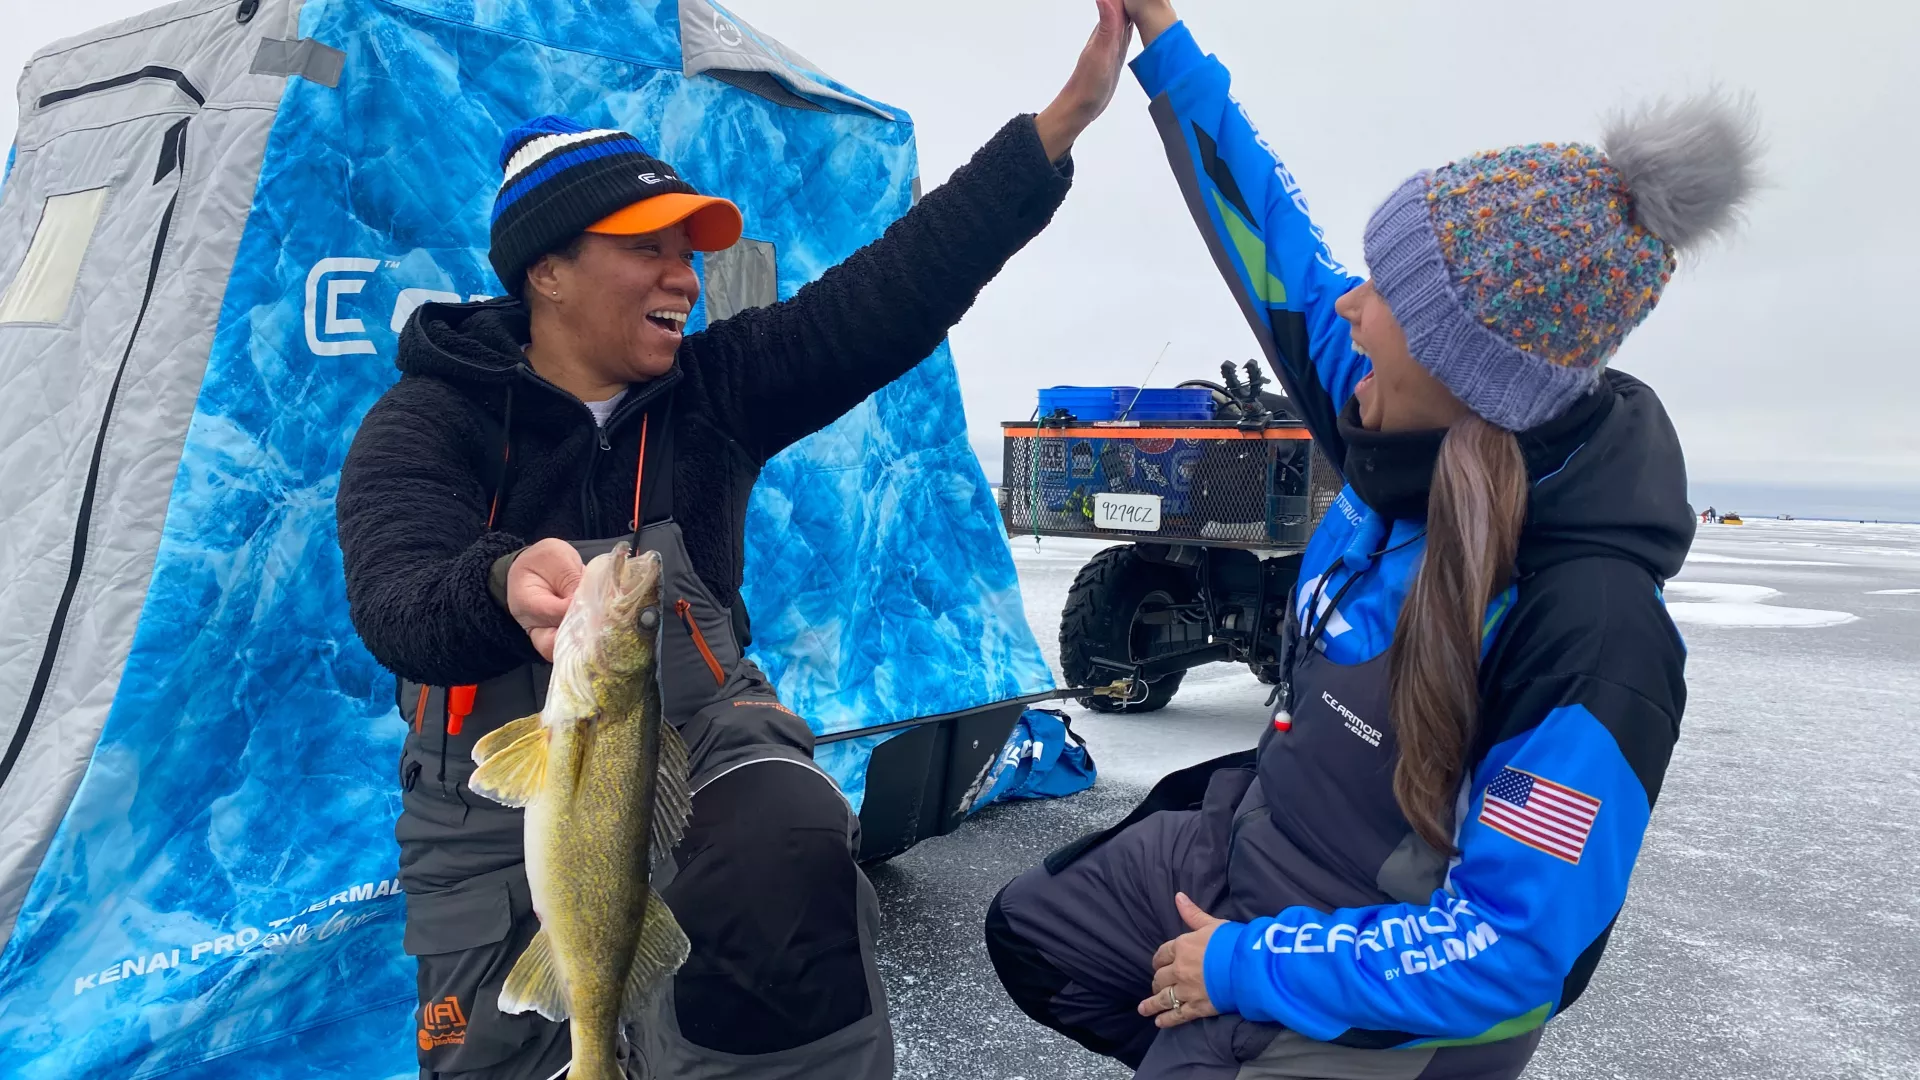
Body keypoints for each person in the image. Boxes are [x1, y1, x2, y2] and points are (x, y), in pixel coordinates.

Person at [335, 4, 1135, 1076]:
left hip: (699, 736)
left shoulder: (712, 395)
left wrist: (1060, 127)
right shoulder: (429, 419)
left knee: (781, 842)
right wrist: (495, 585)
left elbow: (891, 292)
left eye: (691, 253)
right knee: (510, 1050)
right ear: (547, 272)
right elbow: (394, 594)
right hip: (487, 796)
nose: (687, 278)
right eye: (649, 250)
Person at [986, 3, 1761, 1078]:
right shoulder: (1393, 418)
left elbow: (1510, 948)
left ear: (1464, 363)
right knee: (1035, 934)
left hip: (1384, 981)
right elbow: (1276, 249)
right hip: (1258, 856)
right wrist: (1166, 45)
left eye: (1386, 291)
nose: (1349, 305)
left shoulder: (1589, 628)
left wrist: (1243, 969)